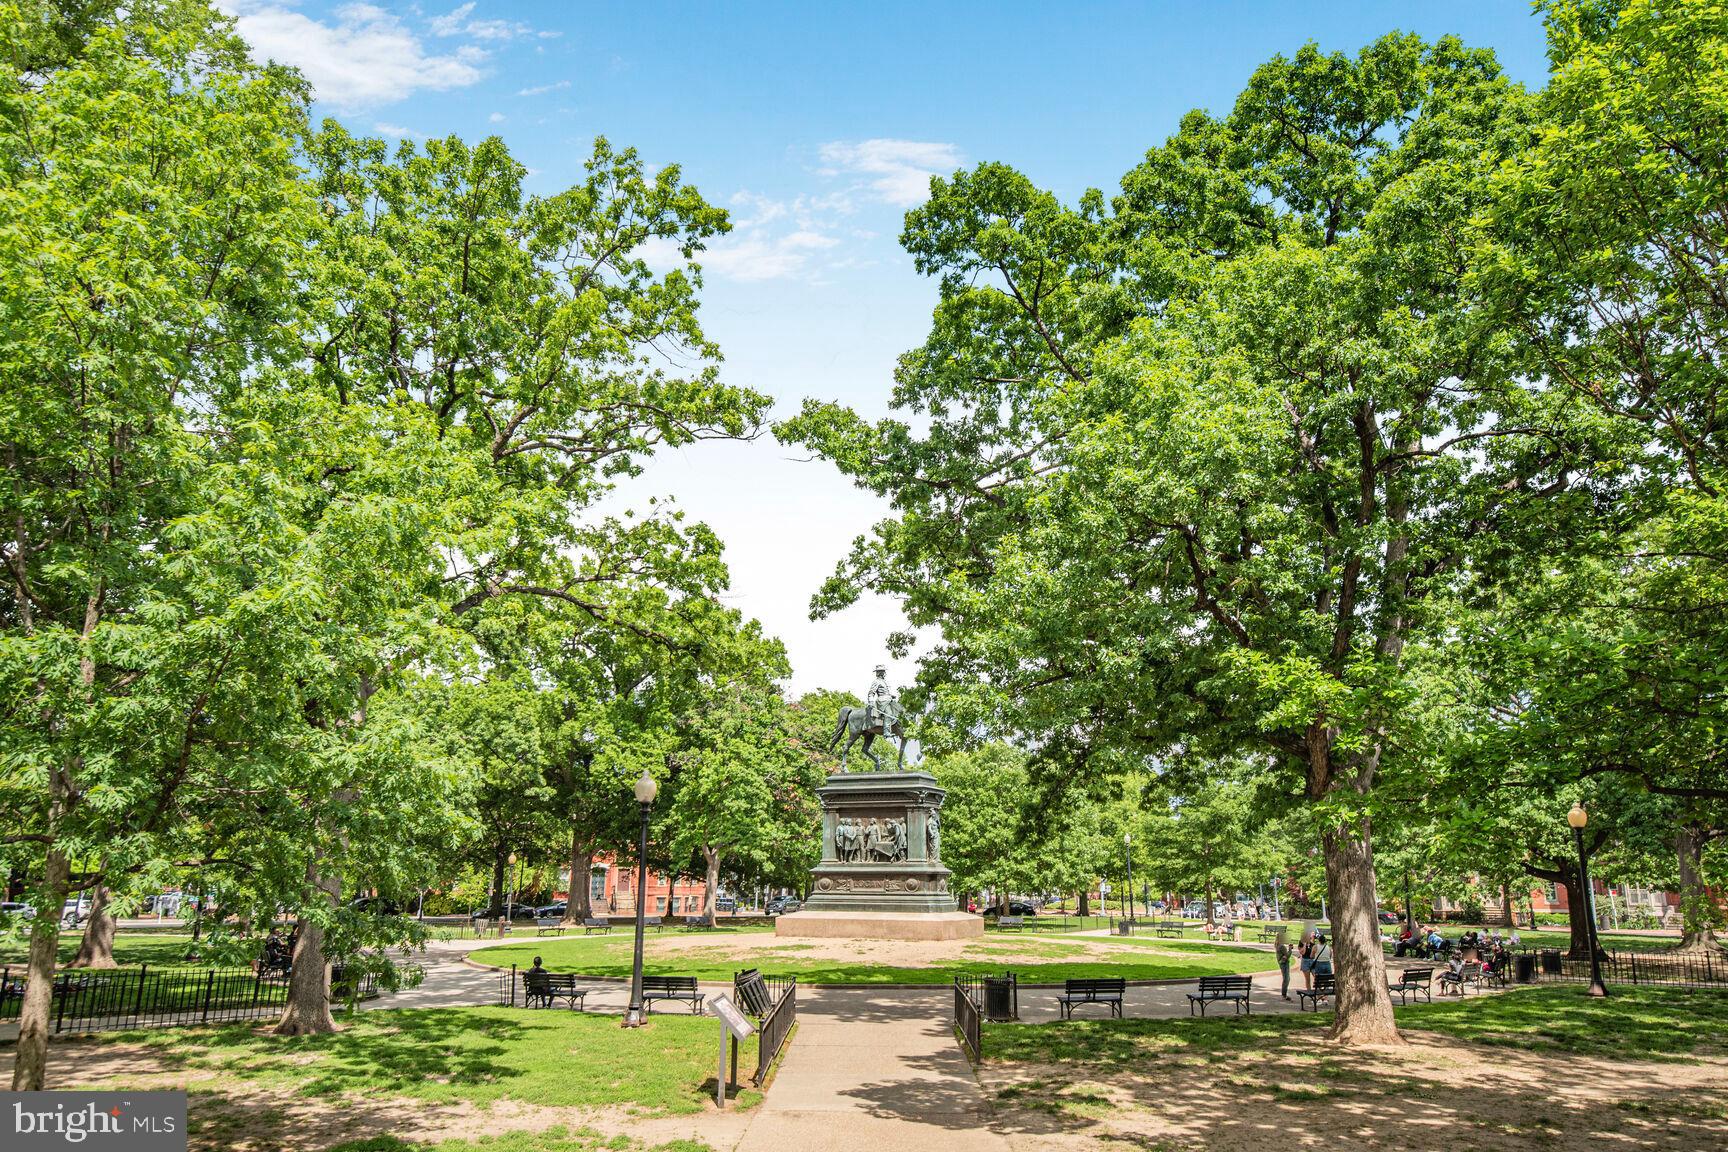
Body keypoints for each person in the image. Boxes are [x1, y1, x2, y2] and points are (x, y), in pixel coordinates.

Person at [1275, 929, 1294, 1001]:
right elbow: (1287, 955)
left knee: (1286, 978)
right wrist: (1290, 949)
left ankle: (1284, 994)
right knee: (1286, 979)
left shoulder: (1277, 945)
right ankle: (1284, 994)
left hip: (1281, 963)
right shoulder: (1282, 946)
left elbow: (1285, 956)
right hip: (1284, 963)